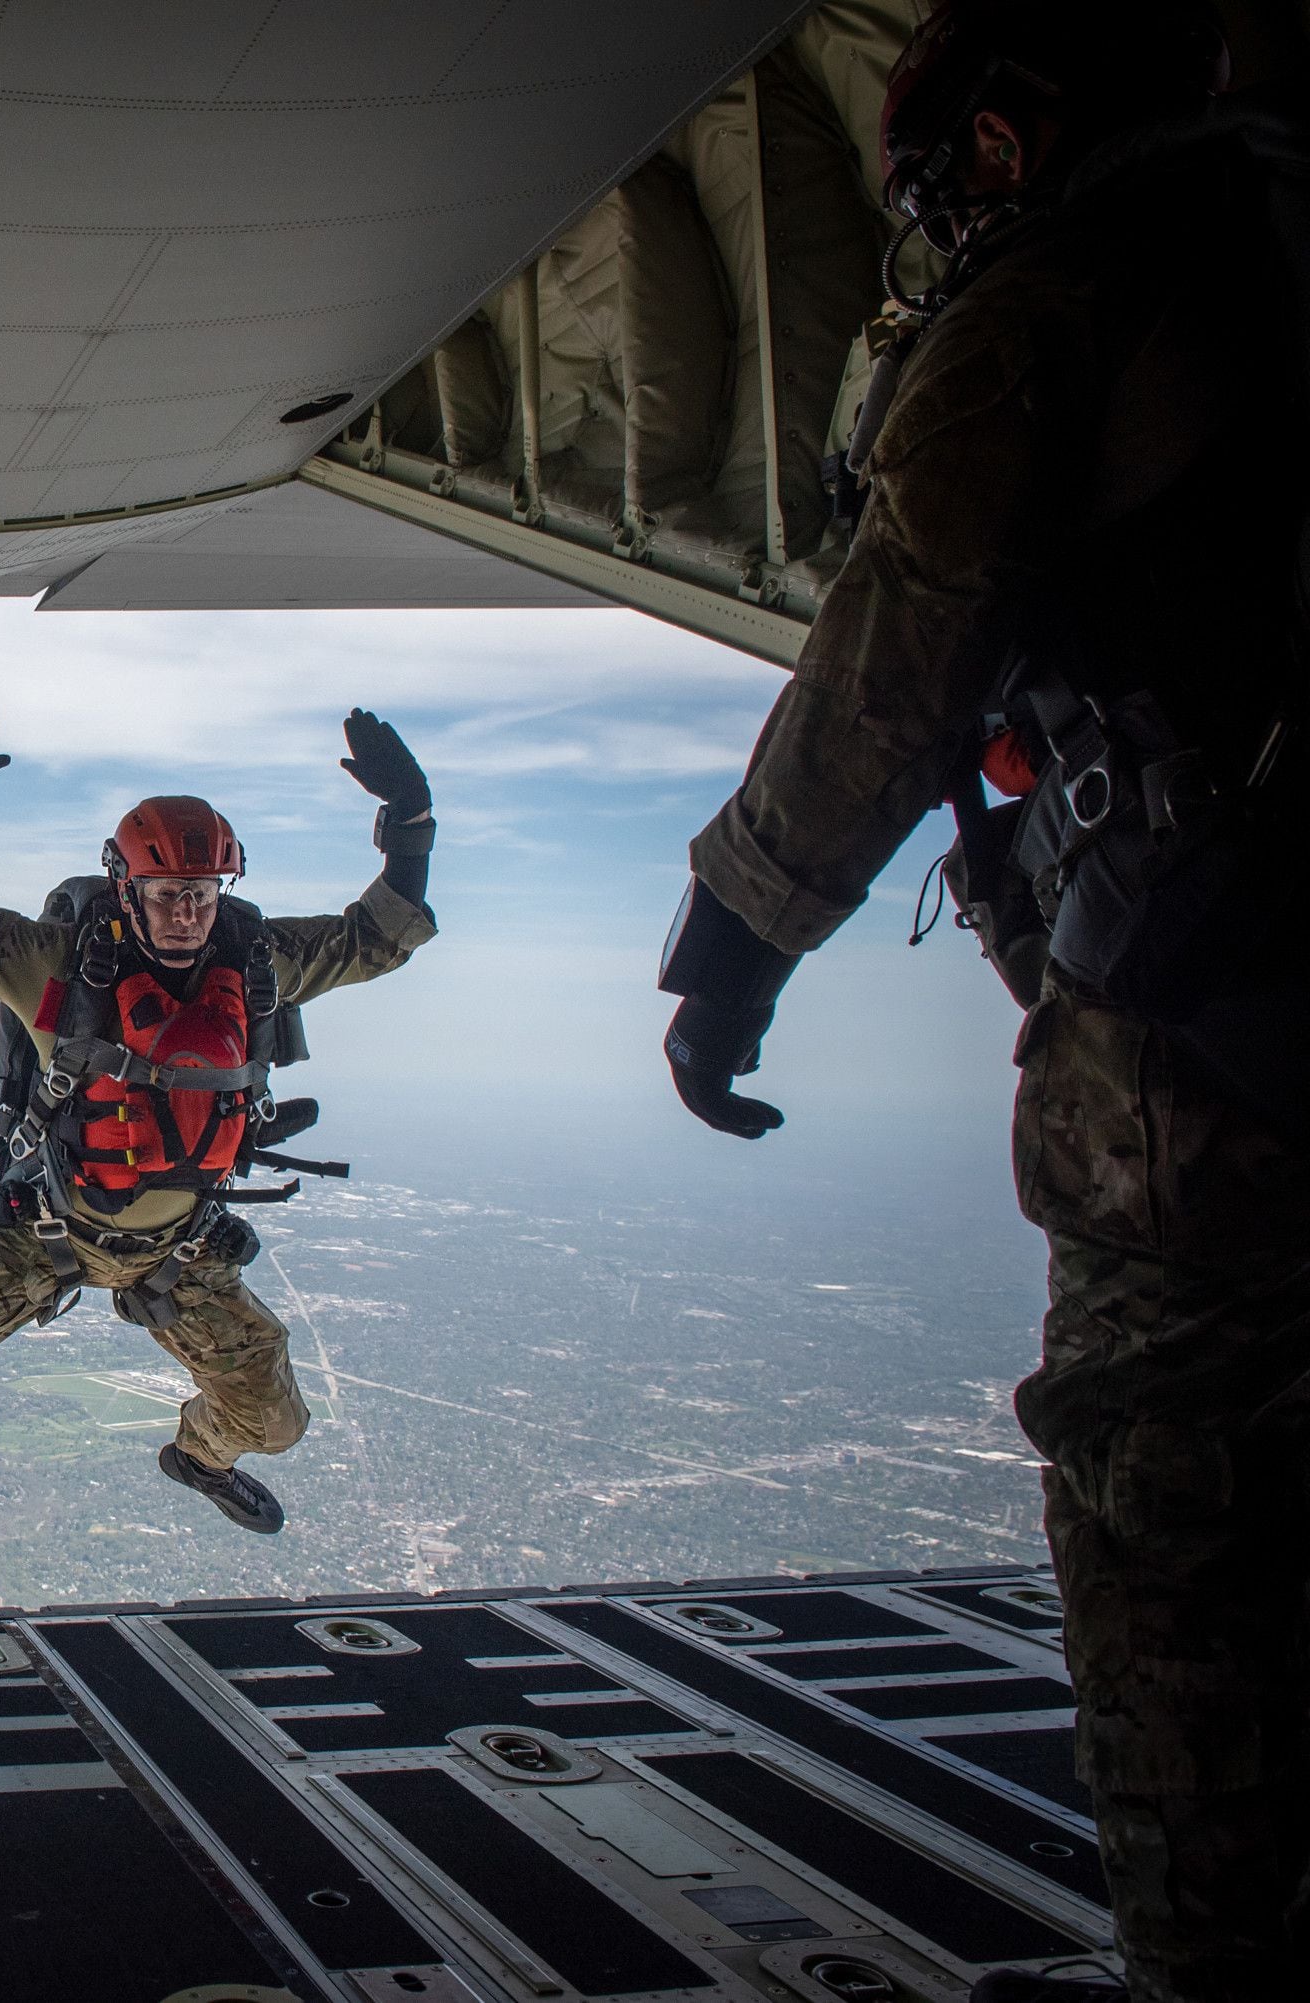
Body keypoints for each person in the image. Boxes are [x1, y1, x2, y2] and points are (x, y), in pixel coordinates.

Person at [652, 7, 1306, 1997]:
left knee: (1163, 1487)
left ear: (1009, 144)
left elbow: (908, 625)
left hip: (1213, 1040)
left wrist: (738, 940)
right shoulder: (1264, 252)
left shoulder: (1058, 295)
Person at [0, 703, 439, 1533]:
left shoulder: (255, 964)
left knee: (277, 1422)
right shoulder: (54, 962)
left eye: (203, 893)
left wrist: (412, 822)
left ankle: (199, 1456)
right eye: (166, 894)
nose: (188, 912)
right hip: (40, 1230)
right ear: (126, 886)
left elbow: (377, 938)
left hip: (176, 1248)